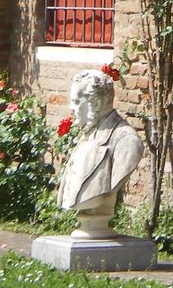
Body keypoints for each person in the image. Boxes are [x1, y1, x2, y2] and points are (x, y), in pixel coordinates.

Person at [57, 69, 144, 239]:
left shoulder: (126, 141)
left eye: (76, 101)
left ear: (95, 104)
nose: (71, 108)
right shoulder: (88, 135)